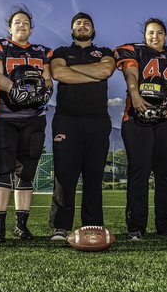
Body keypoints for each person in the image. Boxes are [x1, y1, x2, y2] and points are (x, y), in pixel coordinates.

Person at [114, 18, 167, 240]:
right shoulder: (134, 52)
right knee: (139, 172)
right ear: (144, 35)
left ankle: (166, 225)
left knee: (165, 174)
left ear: (166, 35)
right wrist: (135, 94)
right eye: (150, 33)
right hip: (137, 116)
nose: (154, 37)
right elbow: (131, 73)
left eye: (159, 33)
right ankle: (136, 227)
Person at [0, 5, 53, 242]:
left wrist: (46, 92)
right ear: (9, 27)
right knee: (3, 169)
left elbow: (47, 78)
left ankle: (21, 226)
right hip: (3, 115)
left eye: (26, 22)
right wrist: (15, 90)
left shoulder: (42, 51)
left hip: (33, 118)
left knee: (26, 173)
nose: (21, 25)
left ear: (31, 29)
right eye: (17, 22)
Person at [47, 12, 116, 241]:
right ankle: (60, 226)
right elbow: (58, 73)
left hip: (97, 120)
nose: (82, 26)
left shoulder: (105, 52)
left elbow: (106, 70)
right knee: (64, 175)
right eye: (78, 23)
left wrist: (74, 71)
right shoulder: (60, 52)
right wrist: (93, 73)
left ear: (93, 29)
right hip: (66, 118)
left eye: (87, 23)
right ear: (72, 29)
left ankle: (93, 226)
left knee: (94, 176)